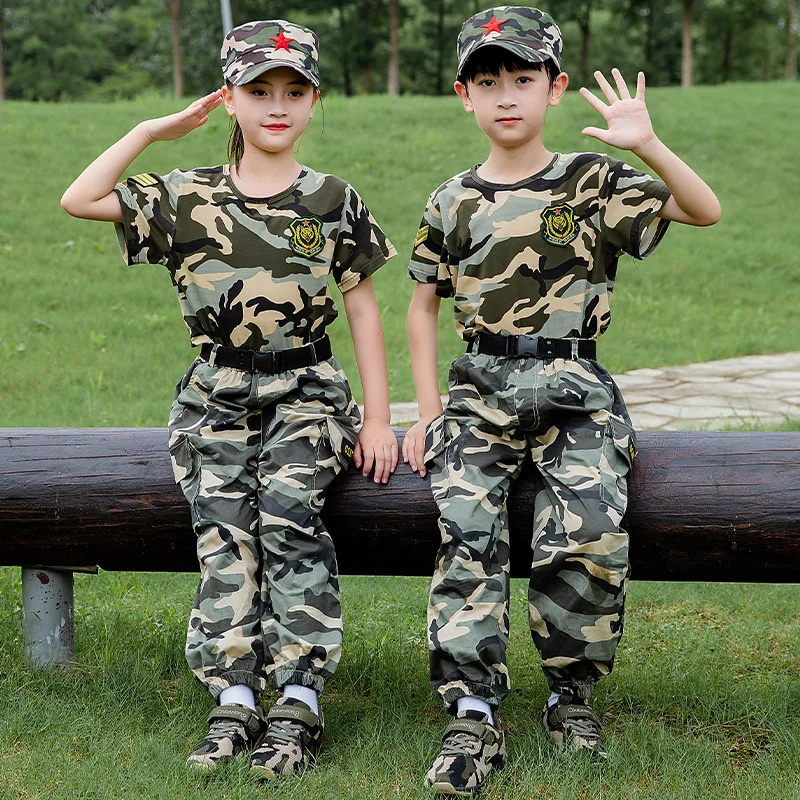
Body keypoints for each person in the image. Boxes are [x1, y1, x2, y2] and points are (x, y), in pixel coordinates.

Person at [61, 19, 398, 778]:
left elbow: (365, 307)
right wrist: (151, 130)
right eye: (259, 90)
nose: (277, 105)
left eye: (294, 91)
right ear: (232, 99)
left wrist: (378, 419)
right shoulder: (186, 197)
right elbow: (79, 198)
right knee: (223, 534)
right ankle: (235, 697)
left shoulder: (332, 199)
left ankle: (300, 702)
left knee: (287, 517)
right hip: (215, 396)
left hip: (308, 393)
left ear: (314, 101)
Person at [402, 5, 720, 794]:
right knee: (467, 536)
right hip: (480, 390)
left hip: (577, 389)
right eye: (488, 81)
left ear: (555, 88)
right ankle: (471, 713)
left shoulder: (593, 180)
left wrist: (646, 144)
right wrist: (423, 409)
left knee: (586, 532)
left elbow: (702, 208)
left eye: (523, 78)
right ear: (462, 95)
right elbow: (422, 302)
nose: (506, 95)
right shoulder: (453, 198)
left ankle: (570, 697)